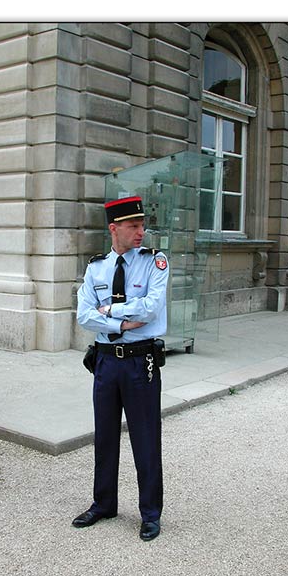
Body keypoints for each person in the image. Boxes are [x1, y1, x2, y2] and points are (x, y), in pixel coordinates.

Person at [73, 195, 169, 541]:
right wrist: (123, 323)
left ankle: (150, 514)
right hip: (104, 362)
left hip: (139, 363)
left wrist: (110, 312)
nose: (141, 232)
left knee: (145, 438)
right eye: (133, 226)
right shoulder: (96, 267)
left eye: (142, 225)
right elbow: (84, 315)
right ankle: (104, 504)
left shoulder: (155, 262)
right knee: (104, 436)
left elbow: (151, 308)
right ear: (114, 229)